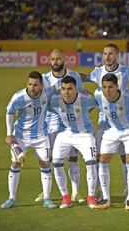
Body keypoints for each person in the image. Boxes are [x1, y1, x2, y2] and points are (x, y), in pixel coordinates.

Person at [85, 43, 129, 198]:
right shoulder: (97, 72)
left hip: (124, 118)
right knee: (100, 155)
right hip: (105, 119)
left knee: (126, 156)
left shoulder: (125, 70)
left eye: (111, 54)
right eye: (105, 54)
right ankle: (98, 190)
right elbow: (85, 81)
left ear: (116, 55)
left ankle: (127, 190)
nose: (107, 57)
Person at [35, 49, 86, 204]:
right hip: (51, 122)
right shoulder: (44, 79)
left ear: (65, 59)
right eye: (52, 59)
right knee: (49, 158)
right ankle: (46, 191)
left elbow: (82, 97)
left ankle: (76, 192)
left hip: (71, 122)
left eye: (58, 58)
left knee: (72, 157)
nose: (55, 61)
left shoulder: (75, 76)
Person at [1, 71, 56, 209]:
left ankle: (47, 198)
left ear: (42, 85)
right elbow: (9, 112)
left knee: (45, 164)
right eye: (30, 84)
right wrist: (9, 134)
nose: (32, 87)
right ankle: (11, 198)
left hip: (41, 136)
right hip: (20, 137)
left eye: (36, 85)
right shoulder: (19, 97)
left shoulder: (47, 93)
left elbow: (62, 88)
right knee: (15, 164)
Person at [49, 76, 98, 209]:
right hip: (64, 134)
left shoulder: (86, 99)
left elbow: (97, 103)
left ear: (76, 89)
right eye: (63, 89)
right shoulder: (54, 100)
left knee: (91, 163)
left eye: (70, 89)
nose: (66, 92)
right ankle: (65, 197)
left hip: (84, 134)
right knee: (56, 163)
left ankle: (91, 197)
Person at [93, 73, 129, 210]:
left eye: (111, 87)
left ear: (117, 87)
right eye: (104, 87)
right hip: (112, 130)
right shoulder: (98, 95)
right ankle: (106, 198)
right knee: (102, 160)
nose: (107, 90)